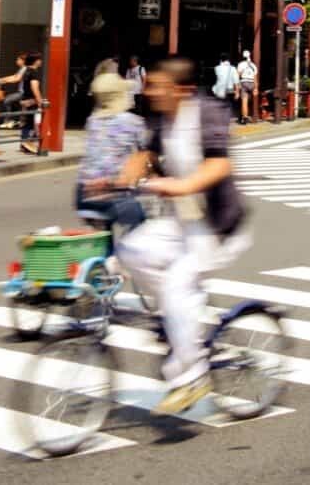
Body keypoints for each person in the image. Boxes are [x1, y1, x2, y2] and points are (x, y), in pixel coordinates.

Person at [116, 57, 249, 415]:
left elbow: (220, 162)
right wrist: (120, 178)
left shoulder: (208, 113)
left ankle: (192, 376)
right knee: (131, 249)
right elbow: (145, 154)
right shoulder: (161, 118)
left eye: (158, 85)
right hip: (181, 223)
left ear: (183, 90)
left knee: (178, 284)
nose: (151, 91)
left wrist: (183, 184)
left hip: (218, 226)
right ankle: (178, 322)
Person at [77, 72, 147, 245]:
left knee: (104, 239)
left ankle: (107, 262)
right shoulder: (133, 122)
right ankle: (123, 258)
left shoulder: (92, 121)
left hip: (84, 192)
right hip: (114, 190)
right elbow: (146, 153)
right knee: (143, 227)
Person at [20, 52, 44, 154]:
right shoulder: (34, 73)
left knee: (27, 123)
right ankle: (27, 143)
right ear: (36, 61)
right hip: (31, 100)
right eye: (39, 59)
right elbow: (35, 88)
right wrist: (40, 101)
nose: (41, 61)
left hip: (26, 99)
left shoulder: (26, 71)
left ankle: (25, 145)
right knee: (32, 123)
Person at [235, 51, 257, 125]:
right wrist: (256, 88)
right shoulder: (253, 65)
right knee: (249, 101)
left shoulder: (240, 64)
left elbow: (237, 77)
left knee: (244, 102)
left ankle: (245, 119)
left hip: (244, 82)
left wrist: (237, 91)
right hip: (252, 84)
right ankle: (250, 116)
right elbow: (255, 78)